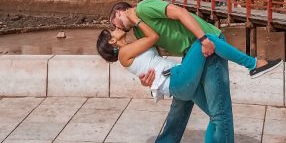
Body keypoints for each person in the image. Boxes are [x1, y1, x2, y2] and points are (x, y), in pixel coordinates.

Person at [109, 0, 281, 143]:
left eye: (114, 21)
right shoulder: (139, 31)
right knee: (181, 108)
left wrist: (203, 39)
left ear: (121, 11)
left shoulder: (145, 7)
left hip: (206, 45)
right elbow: (154, 61)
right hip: (190, 55)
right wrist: (148, 80)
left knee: (219, 114)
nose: (115, 27)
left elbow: (181, 13)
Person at [97, 18, 262, 103]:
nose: (116, 28)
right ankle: (252, 64)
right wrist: (136, 20)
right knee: (203, 39)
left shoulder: (129, 49)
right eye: (112, 32)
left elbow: (154, 54)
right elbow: (153, 36)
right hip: (177, 79)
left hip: (177, 81)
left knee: (216, 116)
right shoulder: (124, 53)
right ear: (112, 41)